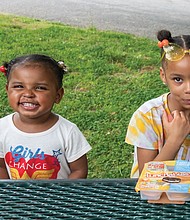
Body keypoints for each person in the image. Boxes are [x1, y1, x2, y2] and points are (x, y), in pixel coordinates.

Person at [0, 54, 91, 179]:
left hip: (57, 197)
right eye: (19, 86)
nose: (28, 94)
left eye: (40, 88)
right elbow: (1, 167)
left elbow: (79, 170)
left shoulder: (68, 132)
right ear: (7, 90)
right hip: (17, 198)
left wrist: (62, 196)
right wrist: (9, 194)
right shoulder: (2, 128)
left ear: (58, 95)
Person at [126, 30, 190, 178]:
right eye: (178, 79)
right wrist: (175, 139)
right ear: (163, 76)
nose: (188, 89)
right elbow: (147, 178)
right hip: (154, 197)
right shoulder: (148, 116)